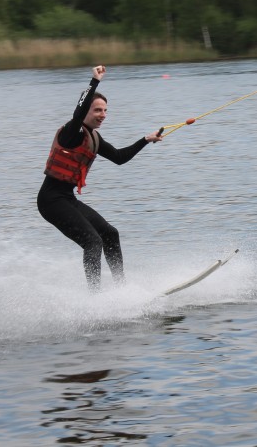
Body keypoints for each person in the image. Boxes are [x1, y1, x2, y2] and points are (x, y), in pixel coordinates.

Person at [38, 65, 163, 292]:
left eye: (105, 110)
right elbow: (78, 113)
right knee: (92, 241)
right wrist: (94, 81)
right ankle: (96, 299)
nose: (103, 115)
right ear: (86, 111)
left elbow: (119, 157)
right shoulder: (71, 132)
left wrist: (146, 139)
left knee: (110, 234)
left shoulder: (94, 138)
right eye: (97, 110)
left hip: (66, 198)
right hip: (50, 200)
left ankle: (120, 289)